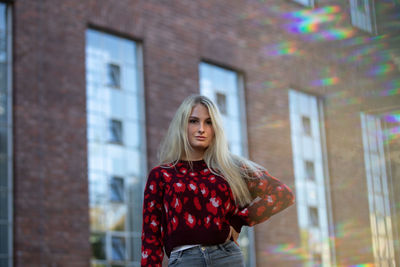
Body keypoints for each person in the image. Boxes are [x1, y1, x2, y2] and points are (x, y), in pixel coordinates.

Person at [141, 95, 295, 267]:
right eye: (193, 121)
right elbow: (150, 237)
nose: (201, 128)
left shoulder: (231, 168)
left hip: (227, 257)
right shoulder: (161, 175)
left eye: (209, 122)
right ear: (182, 125)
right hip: (184, 260)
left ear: (216, 129)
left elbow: (282, 194)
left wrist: (239, 221)